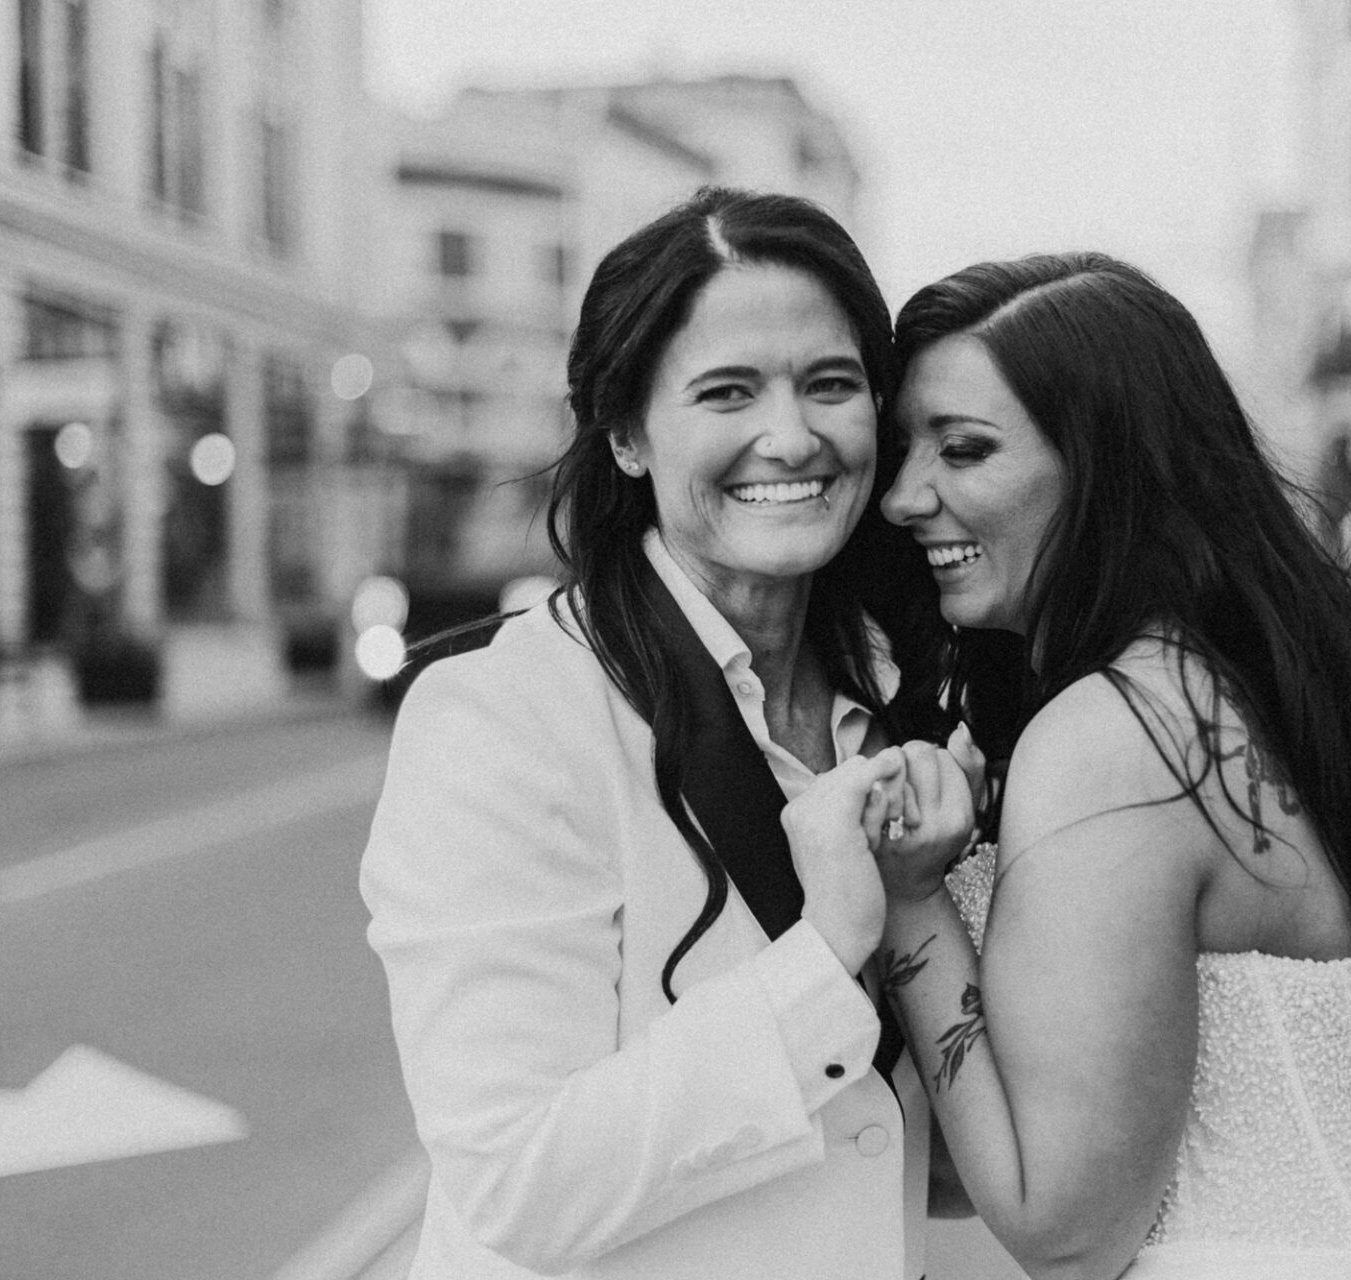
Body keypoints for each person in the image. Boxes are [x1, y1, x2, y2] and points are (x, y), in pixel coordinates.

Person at [839, 252, 1351, 1280]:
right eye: (904, 450)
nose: (902, 497)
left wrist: (913, 899)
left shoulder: (1111, 738)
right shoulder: (1240, 693)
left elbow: (1064, 1226)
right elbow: (999, 1151)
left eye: (963, 450)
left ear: (1109, 471)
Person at [359, 187, 966, 1280]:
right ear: (628, 433)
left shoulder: (911, 699)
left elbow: (905, 1145)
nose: (792, 435)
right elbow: (520, 1180)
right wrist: (826, 951)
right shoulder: (503, 717)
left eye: (831, 384)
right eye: (728, 391)